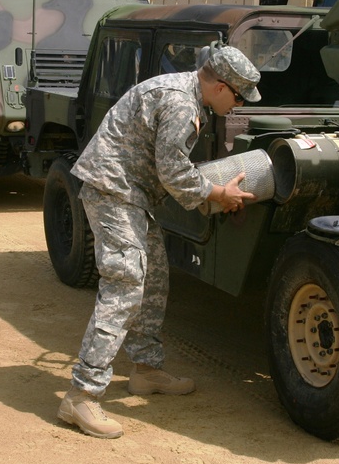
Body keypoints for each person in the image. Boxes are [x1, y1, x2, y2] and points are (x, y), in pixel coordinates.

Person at [57, 44, 261, 439]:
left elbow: (169, 164)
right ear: (220, 86)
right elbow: (172, 171)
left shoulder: (188, 96)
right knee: (124, 286)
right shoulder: (182, 104)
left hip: (132, 194)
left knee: (154, 279)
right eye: (237, 96)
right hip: (114, 191)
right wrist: (218, 194)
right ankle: (81, 395)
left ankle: (146, 370)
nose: (237, 106)